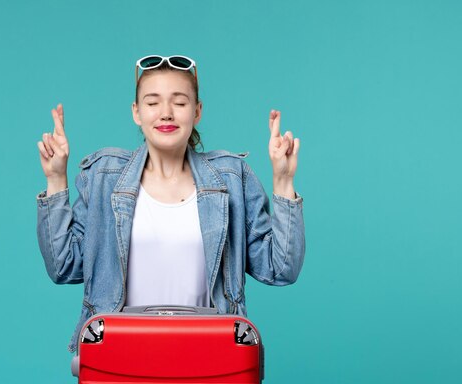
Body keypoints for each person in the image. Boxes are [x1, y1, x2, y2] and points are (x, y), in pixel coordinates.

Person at [36, 55, 305, 353]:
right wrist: (56, 178)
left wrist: (283, 180)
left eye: (179, 102)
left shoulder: (231, 177)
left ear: (197, 111)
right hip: (121, 358)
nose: (166, 113)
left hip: (209, 358)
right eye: (152, 103)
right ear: (136, 113)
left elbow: (280, 269)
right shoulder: (104, 176)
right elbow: (64, 267)